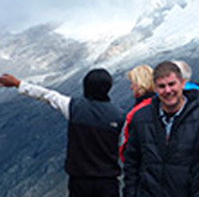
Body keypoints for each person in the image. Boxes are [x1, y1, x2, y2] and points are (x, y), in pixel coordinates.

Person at [0, 69, 123, 197]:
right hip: (108, 183)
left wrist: (18, 84)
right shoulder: (119, 116)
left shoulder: (73, 107)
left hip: (79, 182)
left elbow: (47, 95)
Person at [123, 61, 199, 197]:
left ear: (182, 83)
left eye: (172, 84)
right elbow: (132, 162)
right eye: (162, 86)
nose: (168, 91)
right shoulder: (141, 119)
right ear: (155, 89)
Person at [119, 64, 155, 162]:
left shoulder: (137, 112)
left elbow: (128, 146)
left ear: (140, 83)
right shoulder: (163, 106)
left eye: (132, 83)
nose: (131, 88)